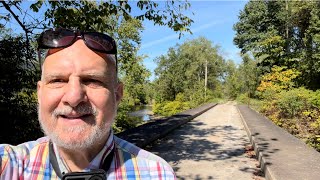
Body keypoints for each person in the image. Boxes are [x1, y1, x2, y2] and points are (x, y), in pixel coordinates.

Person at [0, 28, 175, 179]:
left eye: (92, 80)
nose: (74, 97)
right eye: (57, 80)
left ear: (117, 94)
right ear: (40, 93)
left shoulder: (157, 173)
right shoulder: (10, 164)